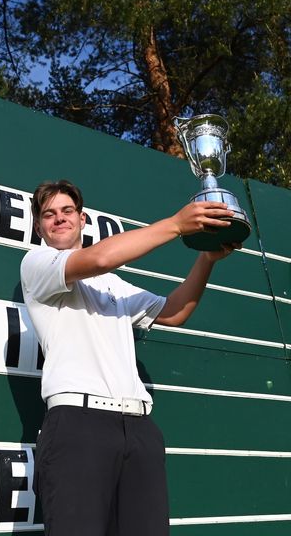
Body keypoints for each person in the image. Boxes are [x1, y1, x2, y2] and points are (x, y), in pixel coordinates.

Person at [20, 180, 240, 536]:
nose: (59, 219)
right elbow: (101, 256)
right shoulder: (37, 263)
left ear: (82, 218)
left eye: (67, 211)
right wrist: (175, 225)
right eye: (49, 214)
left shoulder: (114, 285)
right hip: (78, 425)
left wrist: (206, 259)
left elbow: (173, 311)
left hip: (138, 428)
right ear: (39, 226)